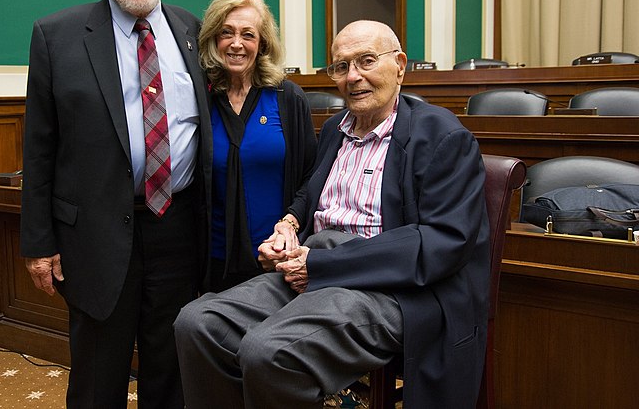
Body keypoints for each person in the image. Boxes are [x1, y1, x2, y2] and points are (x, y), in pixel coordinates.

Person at [174, 20, 490, 408]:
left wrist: (325, 264)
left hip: (391, 287)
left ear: (400, 65)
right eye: (341, 67)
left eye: (367, 61)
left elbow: (442, 242)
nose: (353, 77)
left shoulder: (442, 136)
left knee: (269, 350)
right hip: (317, 268)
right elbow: (311, 193)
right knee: (198, 323)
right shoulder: (336, 131)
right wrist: (288, 225)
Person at [21, 0, 211, 409]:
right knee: (97, 375)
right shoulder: (56, 36)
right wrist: (39, 244)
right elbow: (39, 148)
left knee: (170, 365)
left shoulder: (193, 32)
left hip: (178, 226)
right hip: (96, 234)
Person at [198, 0, 317, 292]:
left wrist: (290, 228)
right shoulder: (200, 99)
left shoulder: (287, 98)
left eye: (247, 35)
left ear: (262, 43)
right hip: (211, 259)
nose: (236, 44)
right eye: (227, 33)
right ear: (214, 38)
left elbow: (310, 178)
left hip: (275, 257)